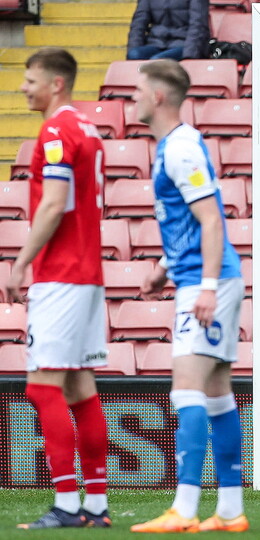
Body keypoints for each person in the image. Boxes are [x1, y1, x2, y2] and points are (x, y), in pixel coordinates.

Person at [129, 59, 248, 533]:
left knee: (186, 390)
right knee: (217, 395)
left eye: (137, 90)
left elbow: (212, 219)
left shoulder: (179, 149)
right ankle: (230, 511)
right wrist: (163, 267)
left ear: (158, 96)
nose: (130, 99)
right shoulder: (174, 146)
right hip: (207, 276)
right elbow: (190, 219)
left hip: (209, 281)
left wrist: (203, 287)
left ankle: (183, 508)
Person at [6, 47, 111, 530]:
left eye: (31, 80)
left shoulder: (55, 131)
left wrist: (20, 262)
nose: (24, 87)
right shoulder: (89, 129)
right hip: (87, 275)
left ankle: (67, 504)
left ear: (56, 84)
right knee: (79, 387)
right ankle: (95, 505)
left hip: (62, 274)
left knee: (42, 386)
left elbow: (53, 205)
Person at [126, 0, 210, 61]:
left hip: (183, 44)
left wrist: (189, 55)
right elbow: (138, 24)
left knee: (157, 62)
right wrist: (133, 49)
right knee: (134, 54)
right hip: (157, 43)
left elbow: (198, 25)